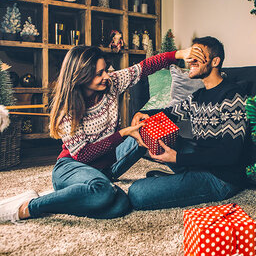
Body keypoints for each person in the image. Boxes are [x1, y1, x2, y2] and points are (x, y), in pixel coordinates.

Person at [0, 45, 204, 222]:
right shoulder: (66, 109)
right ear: (80, 76)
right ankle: (28, 206)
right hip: (72, 167)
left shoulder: (111, 84)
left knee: (121, 205)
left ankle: (75, 195)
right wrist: (124, 133)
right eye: (99, 73)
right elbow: (84, 155)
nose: (106, 76)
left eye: (105, 70)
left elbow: (144, 68)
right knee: (104, 191)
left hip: (108, 168)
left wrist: (179, 54)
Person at [128, 36, 249, 210]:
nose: (190, 60)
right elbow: (169, 114)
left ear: (215, 61)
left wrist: (178, 158)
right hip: (199, 160)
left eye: (197, 55)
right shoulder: (198, 95)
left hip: (222, 178)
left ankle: (179, 180)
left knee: (137, 193)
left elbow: (231, 153)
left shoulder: (232, 96)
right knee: (146, 126)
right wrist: (142, 114)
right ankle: (109, 173)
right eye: (191, 55)